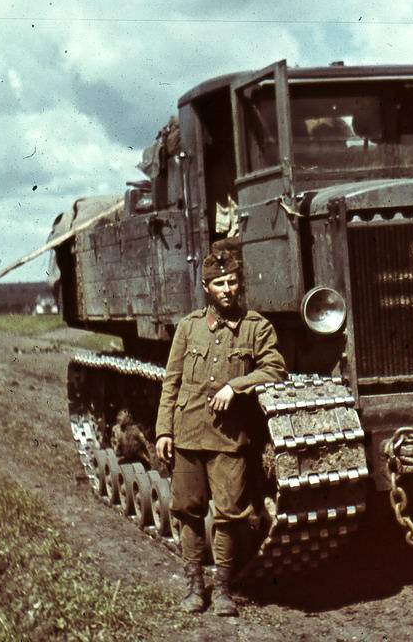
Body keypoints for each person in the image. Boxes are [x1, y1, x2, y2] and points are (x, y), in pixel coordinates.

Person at [154, 249, 287, 616]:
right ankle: (195, 587)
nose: (227, 290)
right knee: (187, 511)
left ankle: (224, 590)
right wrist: (164, 430)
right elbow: (172, 382)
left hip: (229, 439)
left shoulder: (255, 327)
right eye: (219, 284)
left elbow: (275, 369)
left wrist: (237, 386)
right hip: (186, 435)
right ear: (206, 287)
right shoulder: (189, 326)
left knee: (230, 514)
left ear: (239, 284)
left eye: (232, 282)